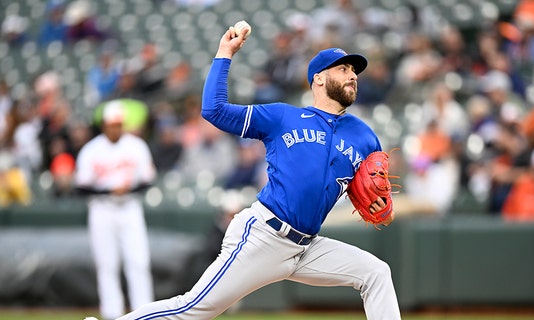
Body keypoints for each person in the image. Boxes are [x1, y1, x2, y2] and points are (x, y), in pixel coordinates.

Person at [115, 25, 400, 320]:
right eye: (342, 69)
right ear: (318, 78)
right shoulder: (282, 116)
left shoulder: (364, 136)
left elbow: (376, 200)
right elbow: (214, 110)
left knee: (376, 272)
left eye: (354, 70)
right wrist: (225, 53)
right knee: (193, 309)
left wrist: (384, 211)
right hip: (263, 236)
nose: (353, 75)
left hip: (307, 247)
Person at [76, 101, 156, 320]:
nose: (115, 128)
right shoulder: (92, 150)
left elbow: (148, 180)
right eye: (111, 124)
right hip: (102, 210)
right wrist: (110, 191)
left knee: (138, 261)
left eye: (118, 124)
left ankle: (144, 312)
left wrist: (126, 190)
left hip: (130, 207)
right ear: (104, 125)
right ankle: (111, 313)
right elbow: (81, 187)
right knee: (106, 263)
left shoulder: (136, 146)